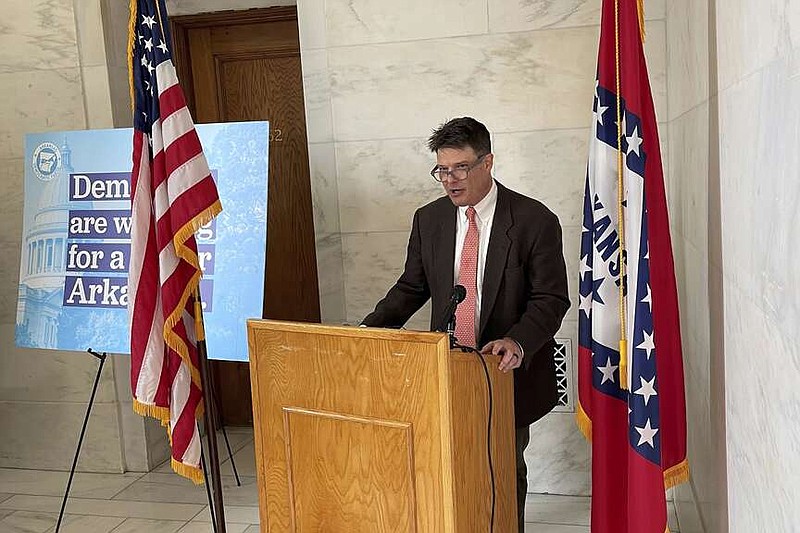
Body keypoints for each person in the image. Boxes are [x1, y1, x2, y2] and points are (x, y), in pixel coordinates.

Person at [361, 117, 570, 532]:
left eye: (461, 168)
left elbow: (551, 298)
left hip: (504, 370)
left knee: (503, 469)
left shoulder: (533, 220)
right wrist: (369, 330)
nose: (450, 180)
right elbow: (411, 287)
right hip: (445, 368)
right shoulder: (429, 219)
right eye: (442, 170)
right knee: (447, 468)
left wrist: (517, 339)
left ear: (488, 162)